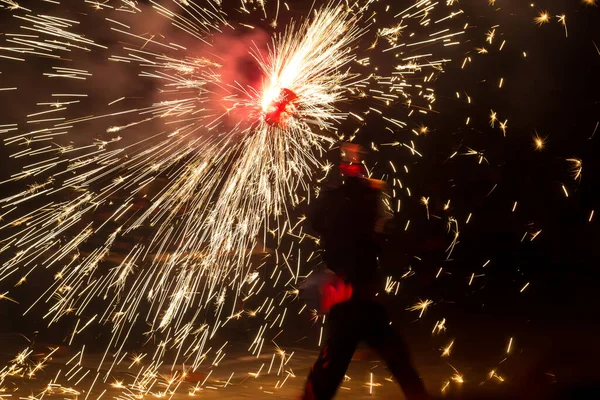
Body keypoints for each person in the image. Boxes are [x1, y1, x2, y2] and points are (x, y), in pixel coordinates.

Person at [301, 143, 429, 400]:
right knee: (341, 354)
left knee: (384, 352)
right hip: (350, 290)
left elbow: (381, 231)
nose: (354, 163)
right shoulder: (351, 195)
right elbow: (378, 232)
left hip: (358, 289)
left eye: (357, 159)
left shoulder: (356, 194)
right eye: (351, 160)